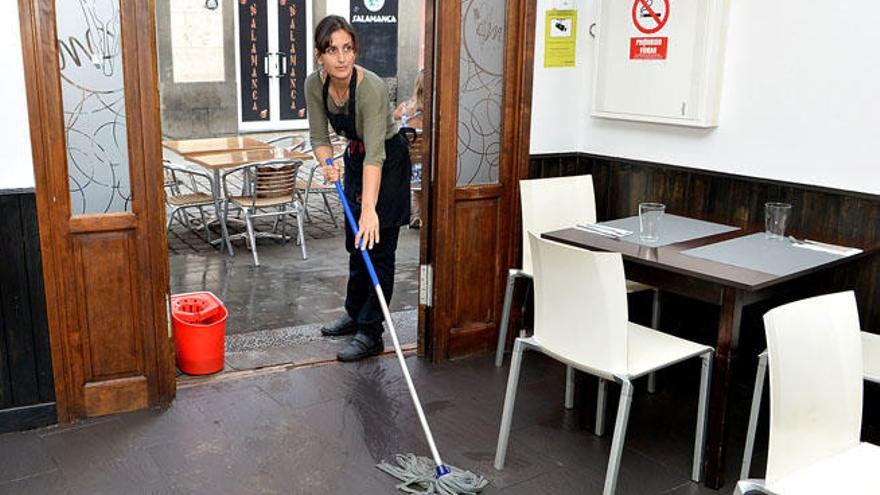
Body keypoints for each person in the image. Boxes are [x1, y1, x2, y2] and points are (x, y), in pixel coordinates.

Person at [305, 15, 411, 362]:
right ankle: (354, 314)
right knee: (356, 244)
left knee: (378, 247)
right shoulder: (314, 85)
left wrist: (369, 210)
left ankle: (371, 331)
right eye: (332, 50)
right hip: (355, 158)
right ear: (319, 54)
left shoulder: (371, 88)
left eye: (347, 48)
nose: (341, 58)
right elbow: (319, 138)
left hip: (387, 163)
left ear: (355, 50)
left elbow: (376, 155)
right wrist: (326, 162)